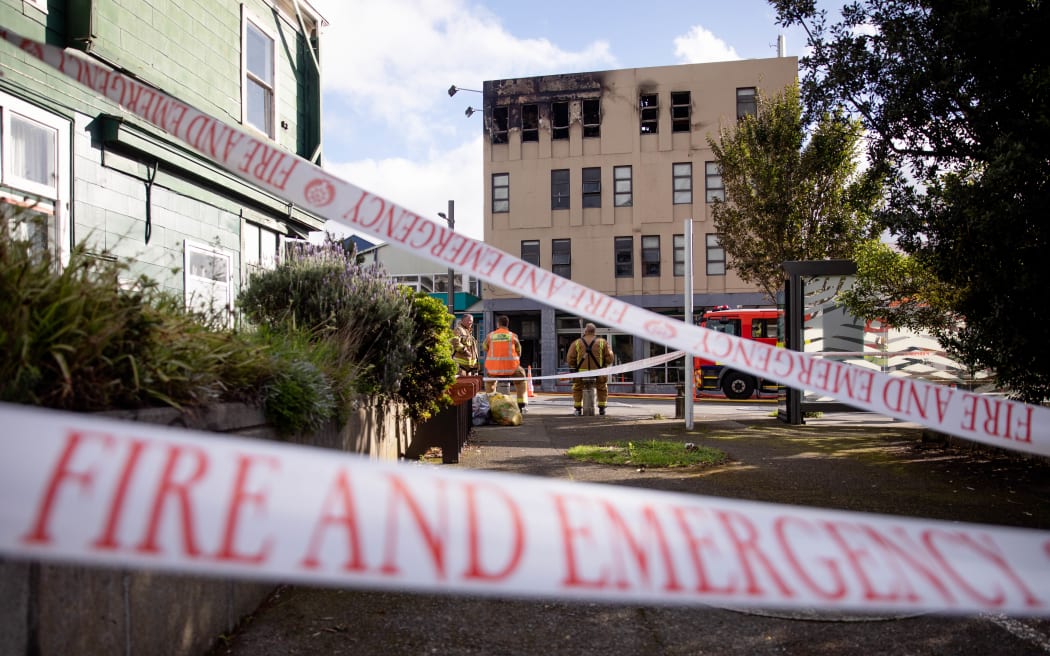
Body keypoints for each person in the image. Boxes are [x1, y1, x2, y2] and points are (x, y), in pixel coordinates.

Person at [481, 315, 528, 413]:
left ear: (498, 324)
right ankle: (521, 404)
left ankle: (490, 404)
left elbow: (484, 348)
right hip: (512, 368)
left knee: (490, 383)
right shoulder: (513, 336)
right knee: (521, 380)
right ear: (507, 324)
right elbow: (519, 351)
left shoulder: (490, 336)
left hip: (494, 369)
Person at [566, 323, 614, 415]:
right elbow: (610, 357)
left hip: (581, 372)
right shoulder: (602, 342)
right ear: (594, 332)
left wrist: (574, 367)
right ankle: (602, 409)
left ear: (586, 331)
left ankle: (578, 409)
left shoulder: (577, 342)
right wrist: (604, 365)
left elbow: (570, 358)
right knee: (602, 387)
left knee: (577, 388)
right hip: (598, 371)